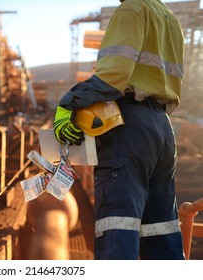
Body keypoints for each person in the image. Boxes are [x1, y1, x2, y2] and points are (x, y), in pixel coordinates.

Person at [53, 0, 185, 260]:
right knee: (162, 229)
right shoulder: (170, 19)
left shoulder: (132, 9)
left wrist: (70, 102)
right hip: (162, 128)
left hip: (128, 125)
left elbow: (114, 74)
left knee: (118, 227)